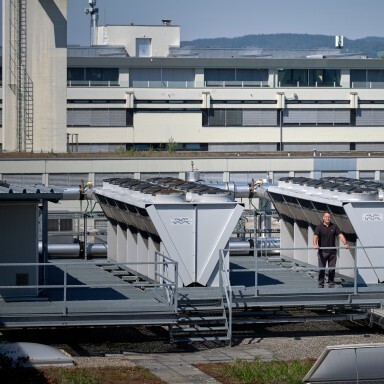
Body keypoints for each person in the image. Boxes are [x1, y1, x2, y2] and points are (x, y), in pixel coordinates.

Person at [313, 211, 349, 288]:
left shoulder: (334, 227)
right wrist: (315, 244)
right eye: (326, 217)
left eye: (329, 217)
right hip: (322, 252)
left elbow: (340, 235)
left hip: (332, 252)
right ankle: (320, 284)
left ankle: (331, 283)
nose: (328, 218)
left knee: (332, 269)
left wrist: (345, 243)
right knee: (321, 269)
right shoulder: (319, 227)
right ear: (323, 218)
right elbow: (315, 236)